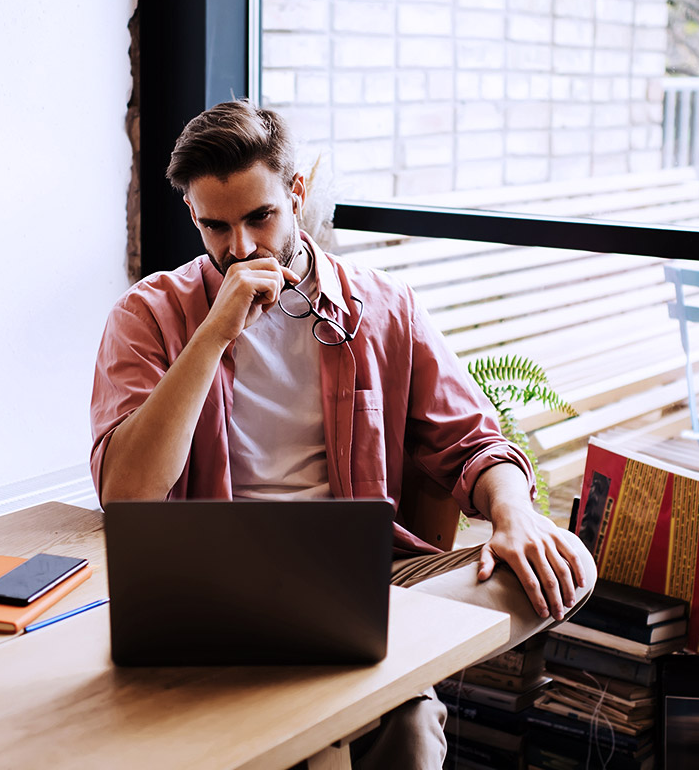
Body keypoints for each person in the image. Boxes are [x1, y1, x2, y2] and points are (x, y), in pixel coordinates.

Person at [90, 99, 596, 769]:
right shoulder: (148, 314)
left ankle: (326, 675)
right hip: (218, 583)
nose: (239, 248)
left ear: (296, 194)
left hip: (371, 580)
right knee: (408, 729)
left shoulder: (383, 305)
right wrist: (214, 334)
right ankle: (366, 682)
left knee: (567, 565)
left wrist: (514, 513)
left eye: (259, 217)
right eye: (215, 226)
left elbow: (474, 441)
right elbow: (126, 494)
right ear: (192, 214)